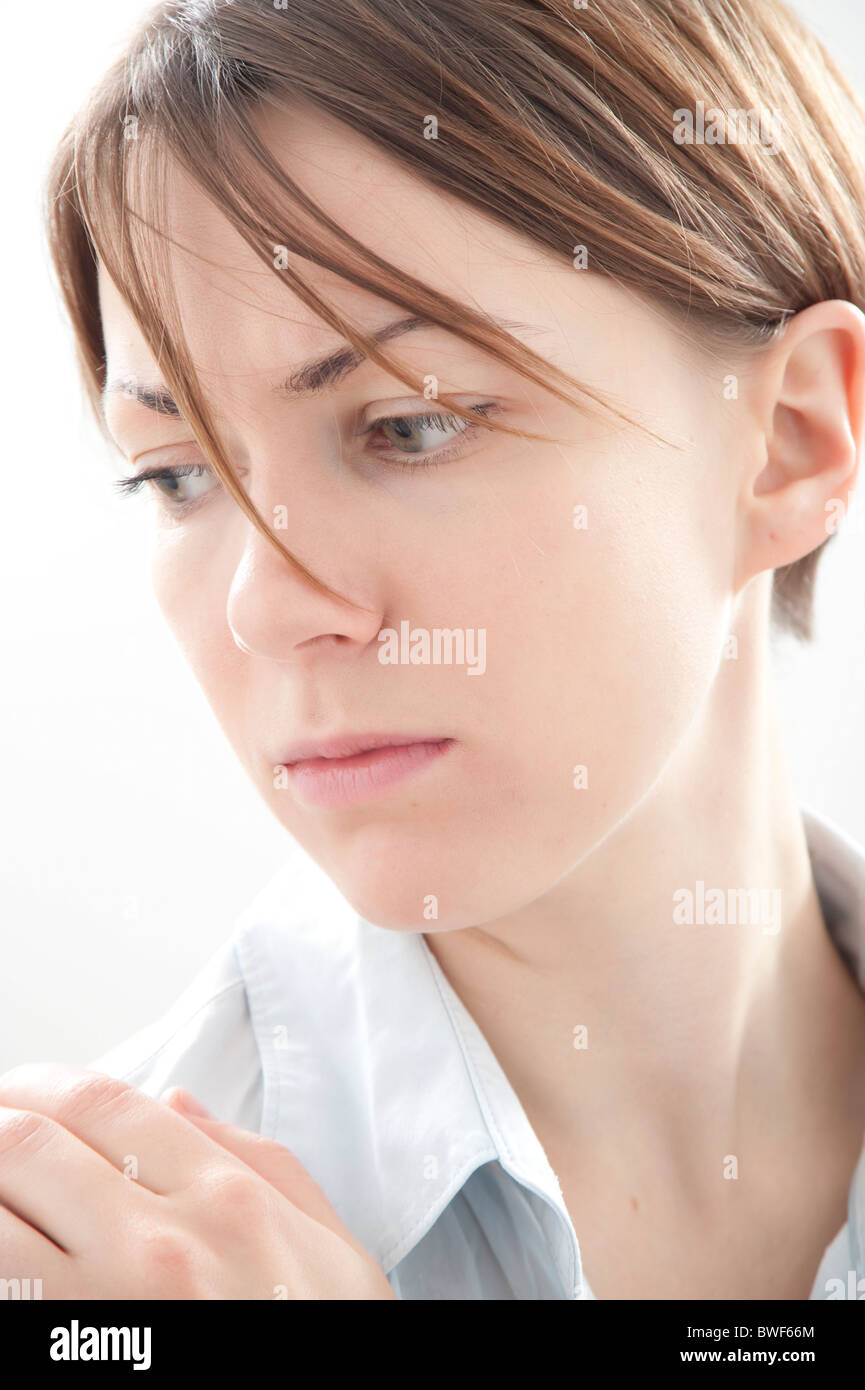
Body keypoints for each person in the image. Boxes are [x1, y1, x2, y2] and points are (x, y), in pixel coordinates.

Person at [4, 0, 865, 1299]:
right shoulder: (76, 1272)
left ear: (790, 438)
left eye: (406, 427)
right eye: (174, 476)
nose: (267, 601)